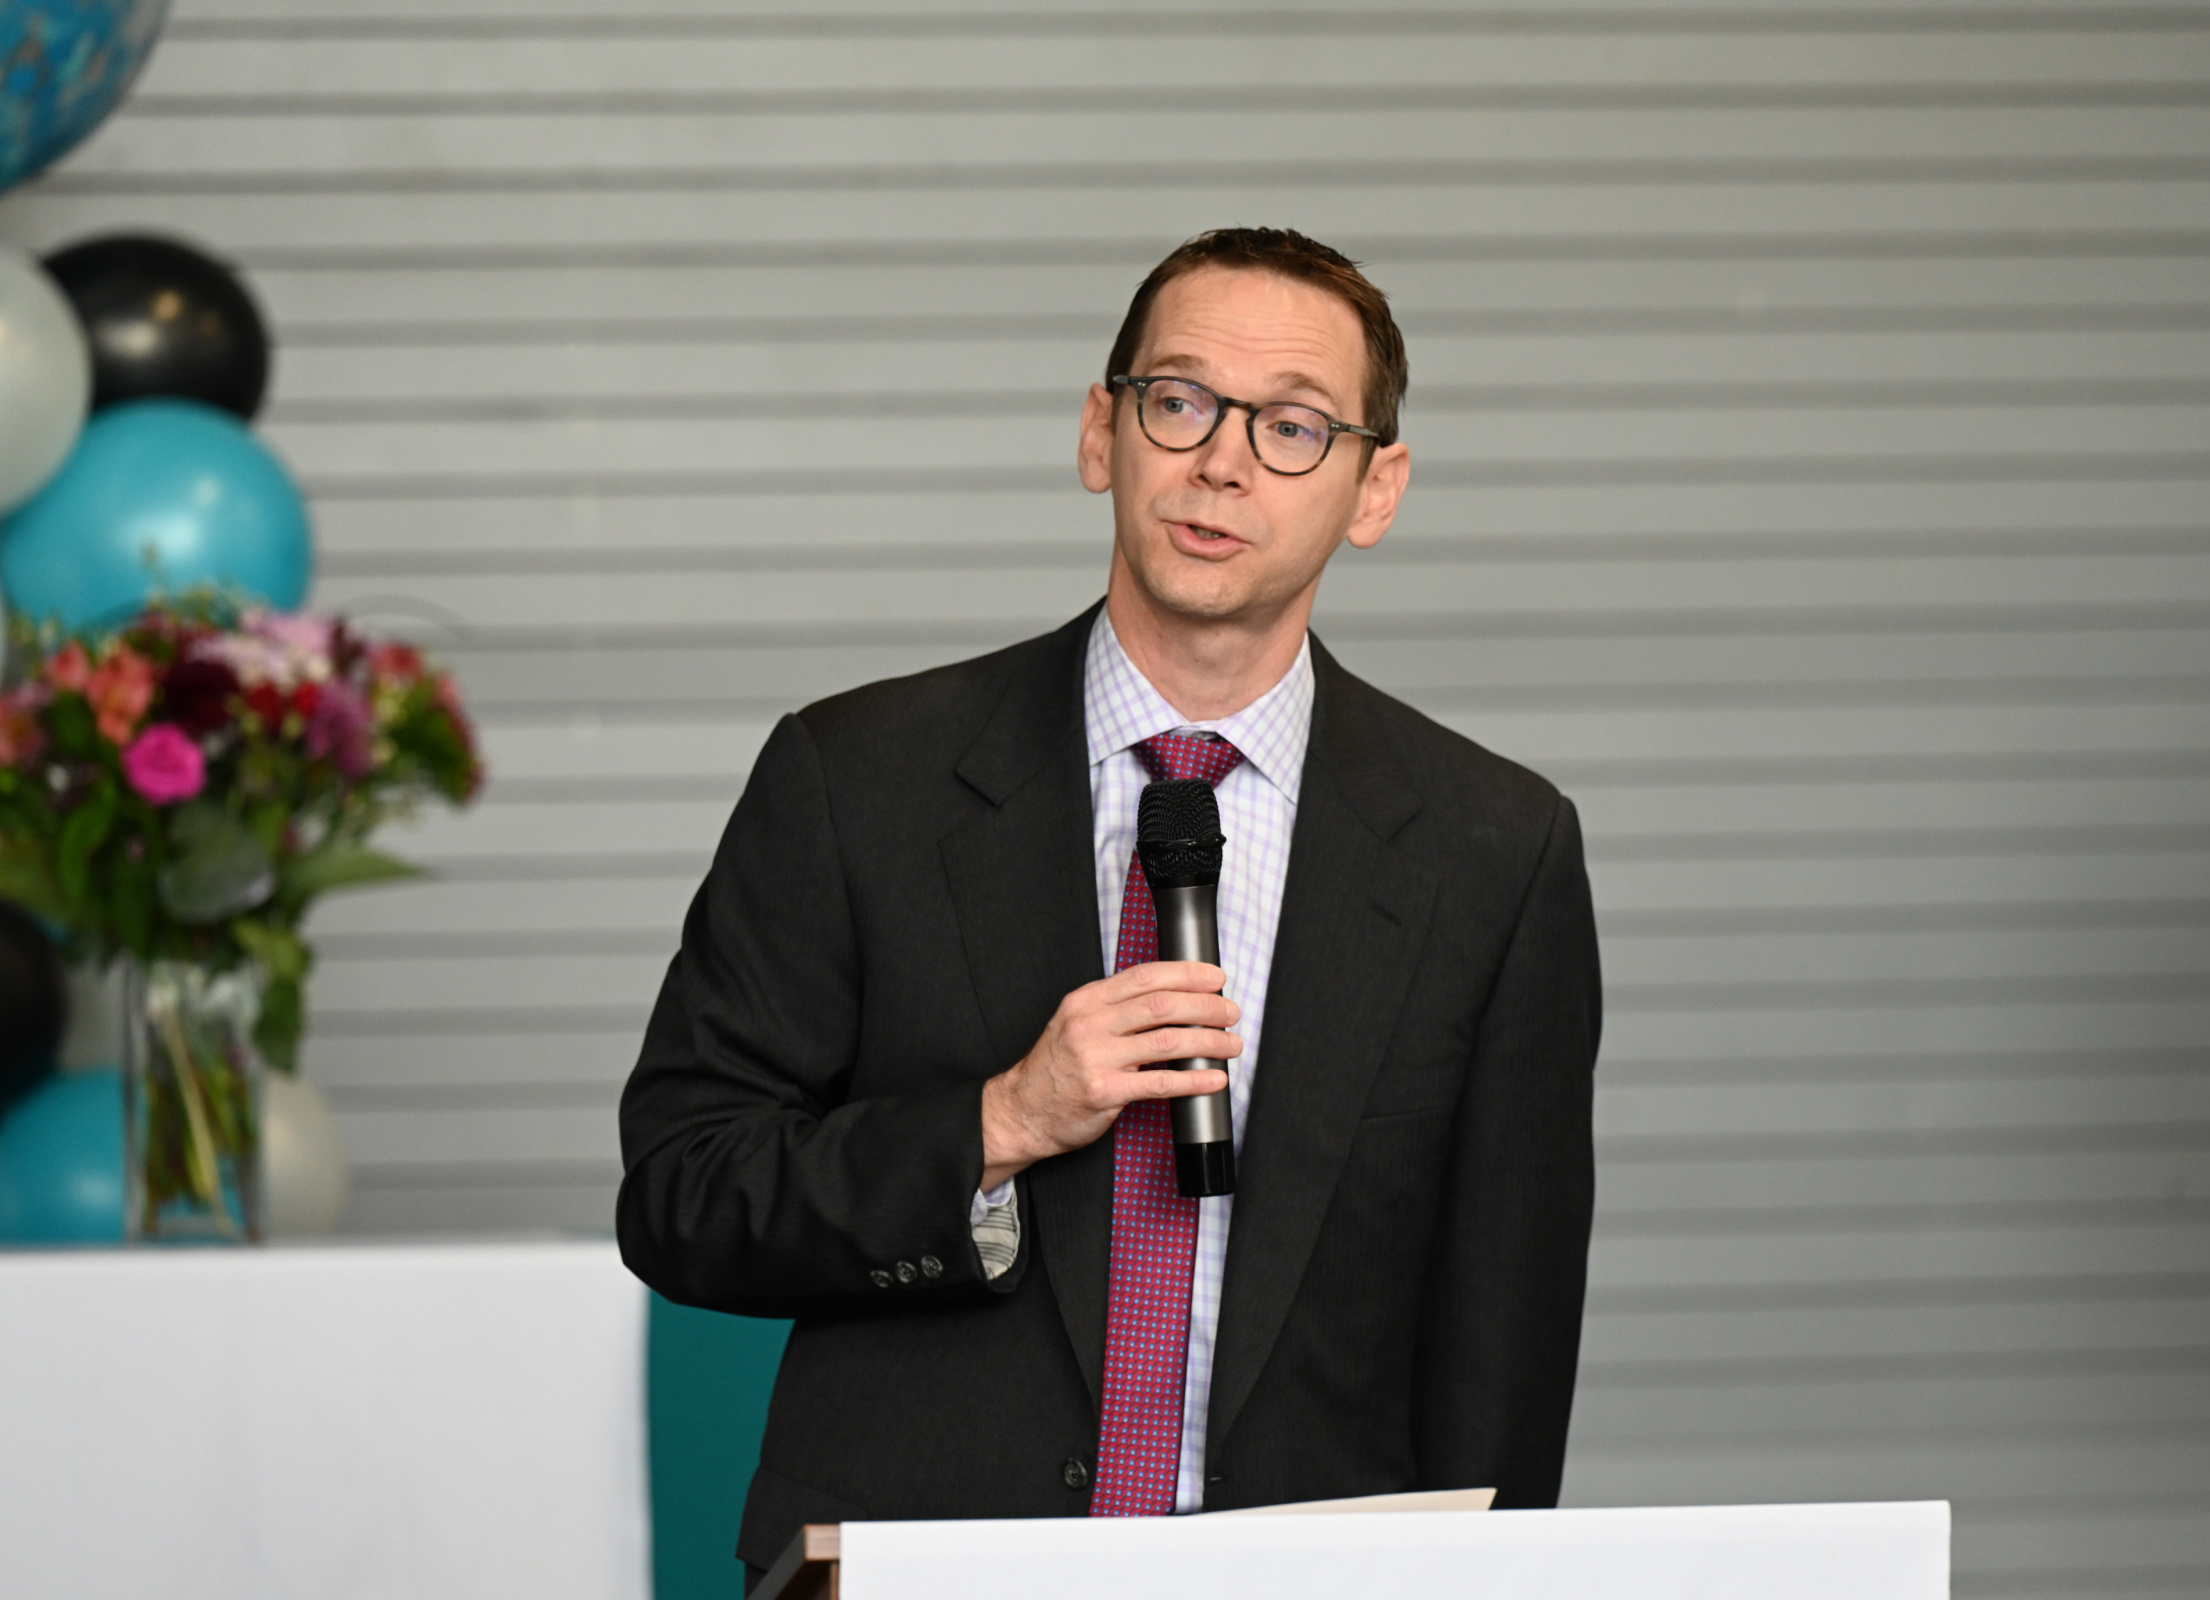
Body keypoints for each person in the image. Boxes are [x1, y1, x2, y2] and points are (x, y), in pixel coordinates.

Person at [617, 227, 1603, 1575]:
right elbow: (682, 1194)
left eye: (1294, 427)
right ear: (1102, 433)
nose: (1224, 462)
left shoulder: (1493, 849)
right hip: (927, 1568)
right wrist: (1000, 1123)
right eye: (1180, 401)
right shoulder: (857, 779)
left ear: (1375, 490)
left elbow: (1505, 1337)